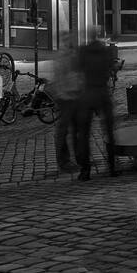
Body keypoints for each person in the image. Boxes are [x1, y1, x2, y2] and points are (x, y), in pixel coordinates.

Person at [74, 28, 117, 180]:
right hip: (103, 92)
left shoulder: (83, 51)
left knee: (84, 134)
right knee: (109, 131)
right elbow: (111, 69)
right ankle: (112, 167)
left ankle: (85, 171)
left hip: (87, 93)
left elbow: (78, 69)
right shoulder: (106, 51)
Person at [53, 39, 84, 174]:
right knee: (64, 131)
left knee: (76, 130)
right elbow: (63, 80)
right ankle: (64, 162)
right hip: (66, 99)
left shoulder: (70, 58)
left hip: (72, 98)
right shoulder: (63, 60)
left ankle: (78, 160)